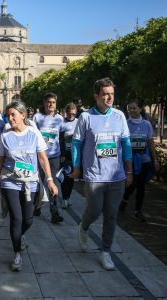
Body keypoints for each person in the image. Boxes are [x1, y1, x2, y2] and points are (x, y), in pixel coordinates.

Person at [71, 78, 133, 271]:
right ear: (96, 96)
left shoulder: (120, 116)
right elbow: (77, 144)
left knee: (111, 215)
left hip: (117, 177)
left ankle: (105, 251)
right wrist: (76, 167)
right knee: (95, 210)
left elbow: (126, 144)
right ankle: (84, 226)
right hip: (94, 176)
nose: (109, 97)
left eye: (112, 94)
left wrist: (129, 170)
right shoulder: (86, 117)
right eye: (105, 94)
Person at [0, 101, 58, 271]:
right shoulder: (5, 136)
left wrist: (49, 179)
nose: (10, 118)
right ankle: (17, 254)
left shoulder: (34, 134)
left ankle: (20, 236)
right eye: (8, 115)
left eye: (13, 114)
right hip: (10, 182)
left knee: (28, 220)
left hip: (31, 183)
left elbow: (43, 158)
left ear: (23, 115)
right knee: (17, 218)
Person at [119, 99, 159, 222]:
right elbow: (122, 143)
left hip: (144, 161)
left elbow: (150, 142)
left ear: (140, 109)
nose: (131, 110)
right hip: (130, 161)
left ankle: (138, 211)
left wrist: (155, 159)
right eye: (129, 108)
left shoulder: (146, 125)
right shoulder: (125, 124)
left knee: (141, 186)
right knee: (131, 185)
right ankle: (124, 200)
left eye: (134, 108)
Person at [33, 92, 64, 223]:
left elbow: (61, 137)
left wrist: (63, 155)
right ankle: (37, 206)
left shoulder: (60, 119)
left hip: (54, 156)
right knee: (38, 182)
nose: (51, 104)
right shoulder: (37, 117)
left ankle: (55, 212)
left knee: (54, 183)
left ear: (56, 104)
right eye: (48, 102)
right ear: (44, 103)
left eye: (53, 102)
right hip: (40, 156)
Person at [58, 102, 78, 208]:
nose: (71, 116)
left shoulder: (79, 123)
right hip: (65, 154)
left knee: (72, 177)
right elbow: (59, 139)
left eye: (73, 114)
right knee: (65, 177)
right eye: (69, 114)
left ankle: (67, 198)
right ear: (66, 113)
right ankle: (65, 198)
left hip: (75, 154)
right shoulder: (62, 123)